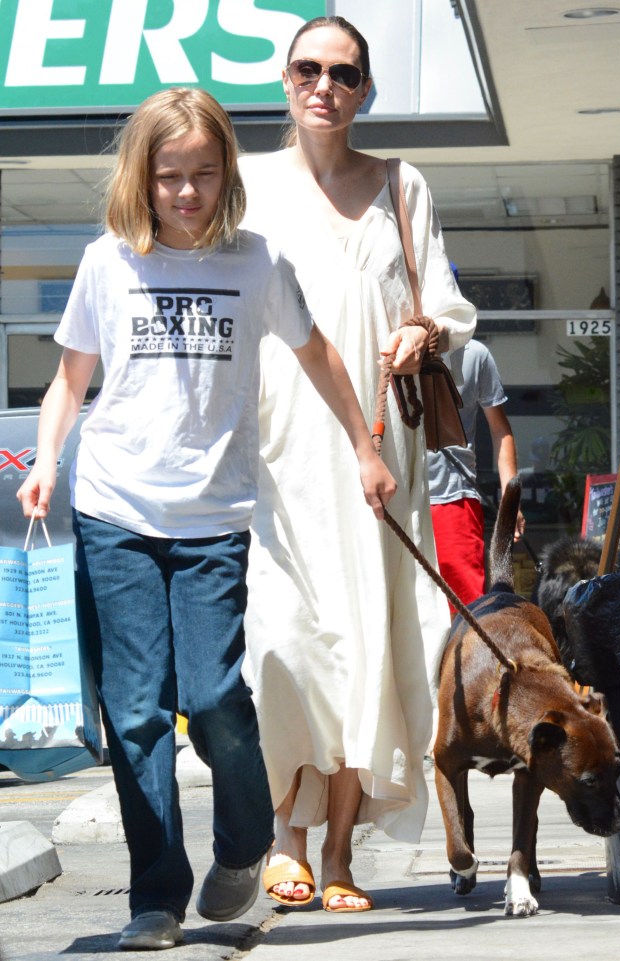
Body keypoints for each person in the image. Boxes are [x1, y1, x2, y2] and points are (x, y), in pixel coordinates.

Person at [16, 87, 397, 950]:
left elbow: (319, 353)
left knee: (217, 696)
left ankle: (244, 841)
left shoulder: (255, 263)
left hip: (213, 518)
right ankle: (155, 894)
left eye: (202, 174)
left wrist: (365, 450)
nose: (185, 193)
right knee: (139, 712)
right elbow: (70, 381)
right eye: (168, 177)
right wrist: (46, 464)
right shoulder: (109, 262)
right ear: (142, 180)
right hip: (115, 506)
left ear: (226, 172)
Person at [238, 16, 476, 913]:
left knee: (368, 649)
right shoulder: (249, 186)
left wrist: (424, 327)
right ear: (286, 78)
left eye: (344, 73)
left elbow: (443, 297)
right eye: (309, 68)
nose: (324, 86)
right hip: (276, 454)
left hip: (378, 453)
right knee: (284, 643)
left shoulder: (400, 184)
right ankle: (281, 837)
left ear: (365, 90)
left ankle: (337, 850)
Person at [428, 338, 525, 608]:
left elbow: (500, 429)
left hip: (455, 496)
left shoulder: (474, 353)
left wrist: (511, 499)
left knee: (465, 606)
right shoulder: (385, 345)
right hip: (396, 495)